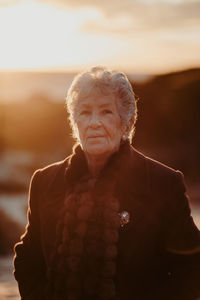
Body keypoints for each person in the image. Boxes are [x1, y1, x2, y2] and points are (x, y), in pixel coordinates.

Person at [13, 66, 200, 300]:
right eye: (84, 112)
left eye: (105, 112)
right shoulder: (45, 181)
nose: (94, 123)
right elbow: (28, 258)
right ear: (74, 122)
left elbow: (192, 265)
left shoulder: (163, 183)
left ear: (127, 123)